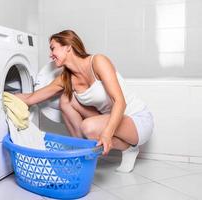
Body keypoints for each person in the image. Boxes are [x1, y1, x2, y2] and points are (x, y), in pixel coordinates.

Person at [15, 30, 154, 173]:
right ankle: (81, 153)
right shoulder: (66, 79)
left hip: (137, 119)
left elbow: (120, 102)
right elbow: (32, 97)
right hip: (111, 119)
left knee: (88, 127)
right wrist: (5, 97)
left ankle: (128, 148)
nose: (50, 54)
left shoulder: (98, 62)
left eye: (53, 48)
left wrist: (106, 135)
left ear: (68, 47)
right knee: (66, 99)